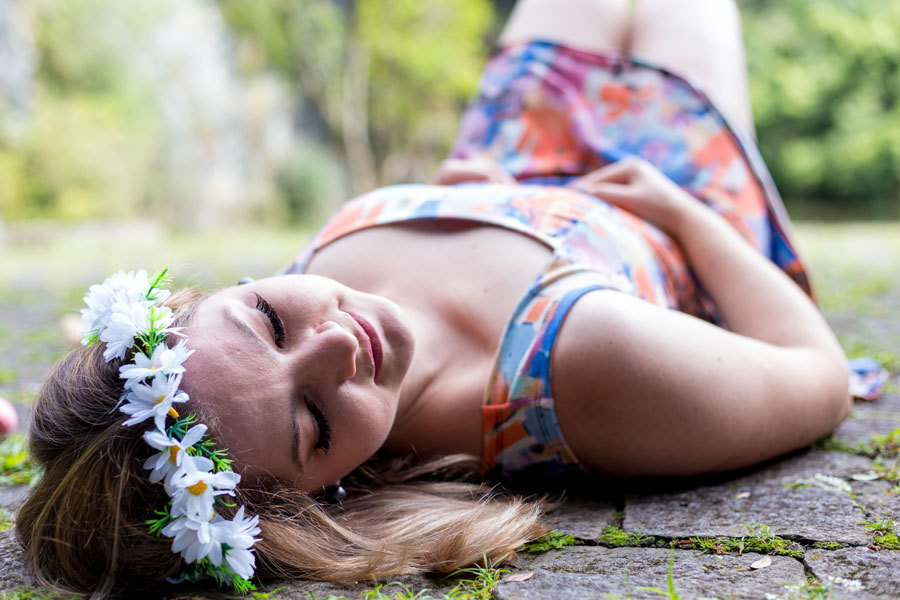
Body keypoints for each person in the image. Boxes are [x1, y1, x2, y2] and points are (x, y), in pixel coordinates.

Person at [17, 0, 854, 596]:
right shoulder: (580, 364)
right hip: (676, 173)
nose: (339, 345)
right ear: (317, 498)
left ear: (214, 297)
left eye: (268, 319)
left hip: (516, 135)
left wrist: (487, 197)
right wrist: (679, 210)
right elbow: (817, 375)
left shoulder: (269, 330)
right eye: (313, 422)